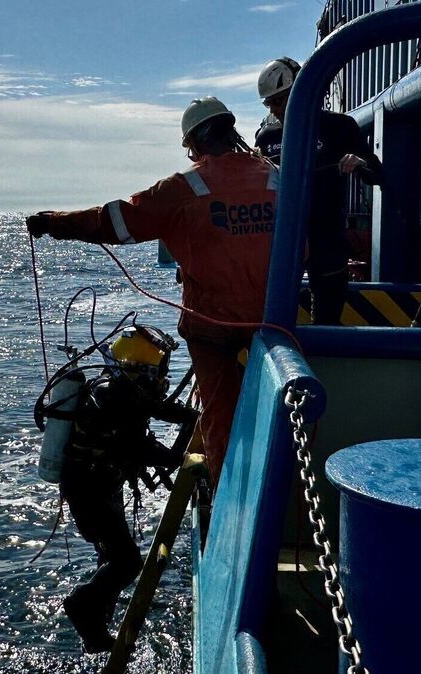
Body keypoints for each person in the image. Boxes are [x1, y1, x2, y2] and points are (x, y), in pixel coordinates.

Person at [27, 96, 278, 490]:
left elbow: (114, 221)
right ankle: (281, 481)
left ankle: (229, 495)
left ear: (194, 143)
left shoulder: (185, 188)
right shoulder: (275, 176)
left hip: (212, 328)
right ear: (230, 130)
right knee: (279, 407)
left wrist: (53, 224)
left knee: (221, 416)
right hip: (273, 320)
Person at [45, 325, 192, 653]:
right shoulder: (113, 400)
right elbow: (147, 450)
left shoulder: (120, 390)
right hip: (89, 491)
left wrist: (189, 416)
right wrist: (187, 453)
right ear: (140, 372)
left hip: (101, 485)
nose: (160, 380)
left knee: (112, 557)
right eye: (156, 373)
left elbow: (155, 408)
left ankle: (95, 630)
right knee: (126, 562)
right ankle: (82, 604)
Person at [255, 56, 382, 325]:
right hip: (283, 240)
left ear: (301, 91)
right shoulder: (267, 138)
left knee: (327, 317)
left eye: (278, 101)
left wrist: (359, 163)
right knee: (270, 317)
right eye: (269, 103)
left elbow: (377, 173)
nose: (274, 109)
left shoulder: (340, 127)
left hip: (327, 238)